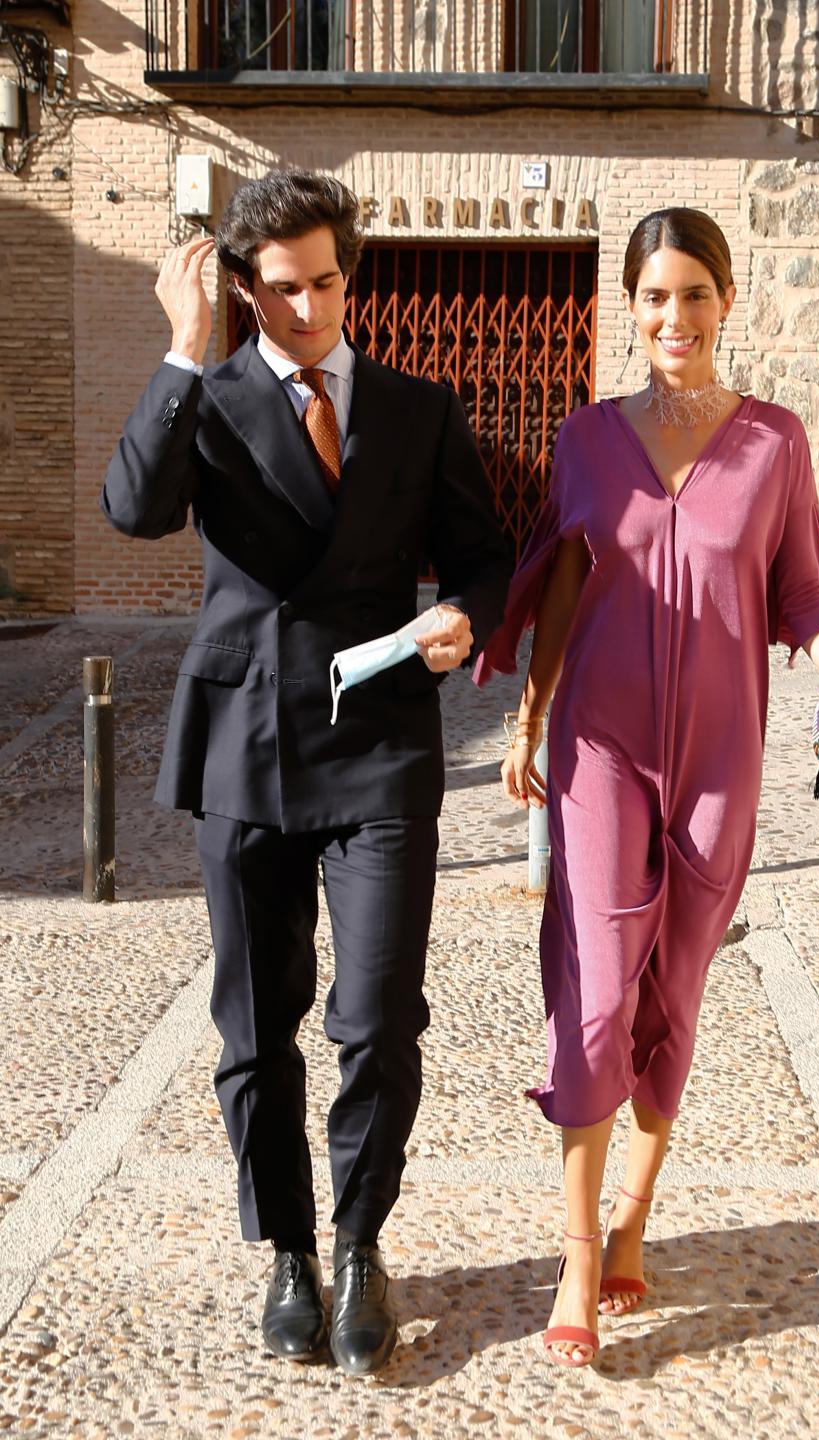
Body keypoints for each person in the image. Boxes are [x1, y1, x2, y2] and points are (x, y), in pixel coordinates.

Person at [102, 170, 510, 1375]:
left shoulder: (416, 405)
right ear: (244, 290)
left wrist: (469, 620)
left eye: (328, 281)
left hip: (381, 744)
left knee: (379, 1017)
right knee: (253, 1025)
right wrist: (182, 353)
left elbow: (482, 555)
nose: (312, 307)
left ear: (349, 272)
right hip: (245, 746)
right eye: (283, 290)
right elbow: (132, 509)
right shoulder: (210, 399)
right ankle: (289, 1249)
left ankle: (363, 1242)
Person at [475, 207, 819, 1367]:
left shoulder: (775, 443)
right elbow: (560, 581)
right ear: (631, 307)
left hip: (722, 755)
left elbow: (804, 590)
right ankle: (574, 1253)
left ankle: (636, 1220)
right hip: (601, 745)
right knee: (599, 989)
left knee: (674, 996)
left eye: (693, 295)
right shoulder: (586, 437)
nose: (673, 318)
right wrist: (532, 713)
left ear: (727, 301)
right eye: (653, 296)